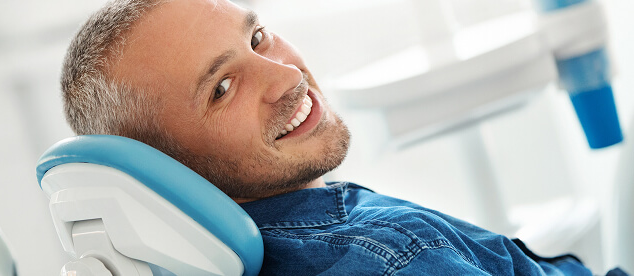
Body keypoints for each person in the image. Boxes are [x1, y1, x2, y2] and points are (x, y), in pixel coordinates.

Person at [59, 0, 627, 275]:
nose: (285, 75)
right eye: (222, 87)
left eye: (258, 38)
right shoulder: (391, 260)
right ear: (164, 167)